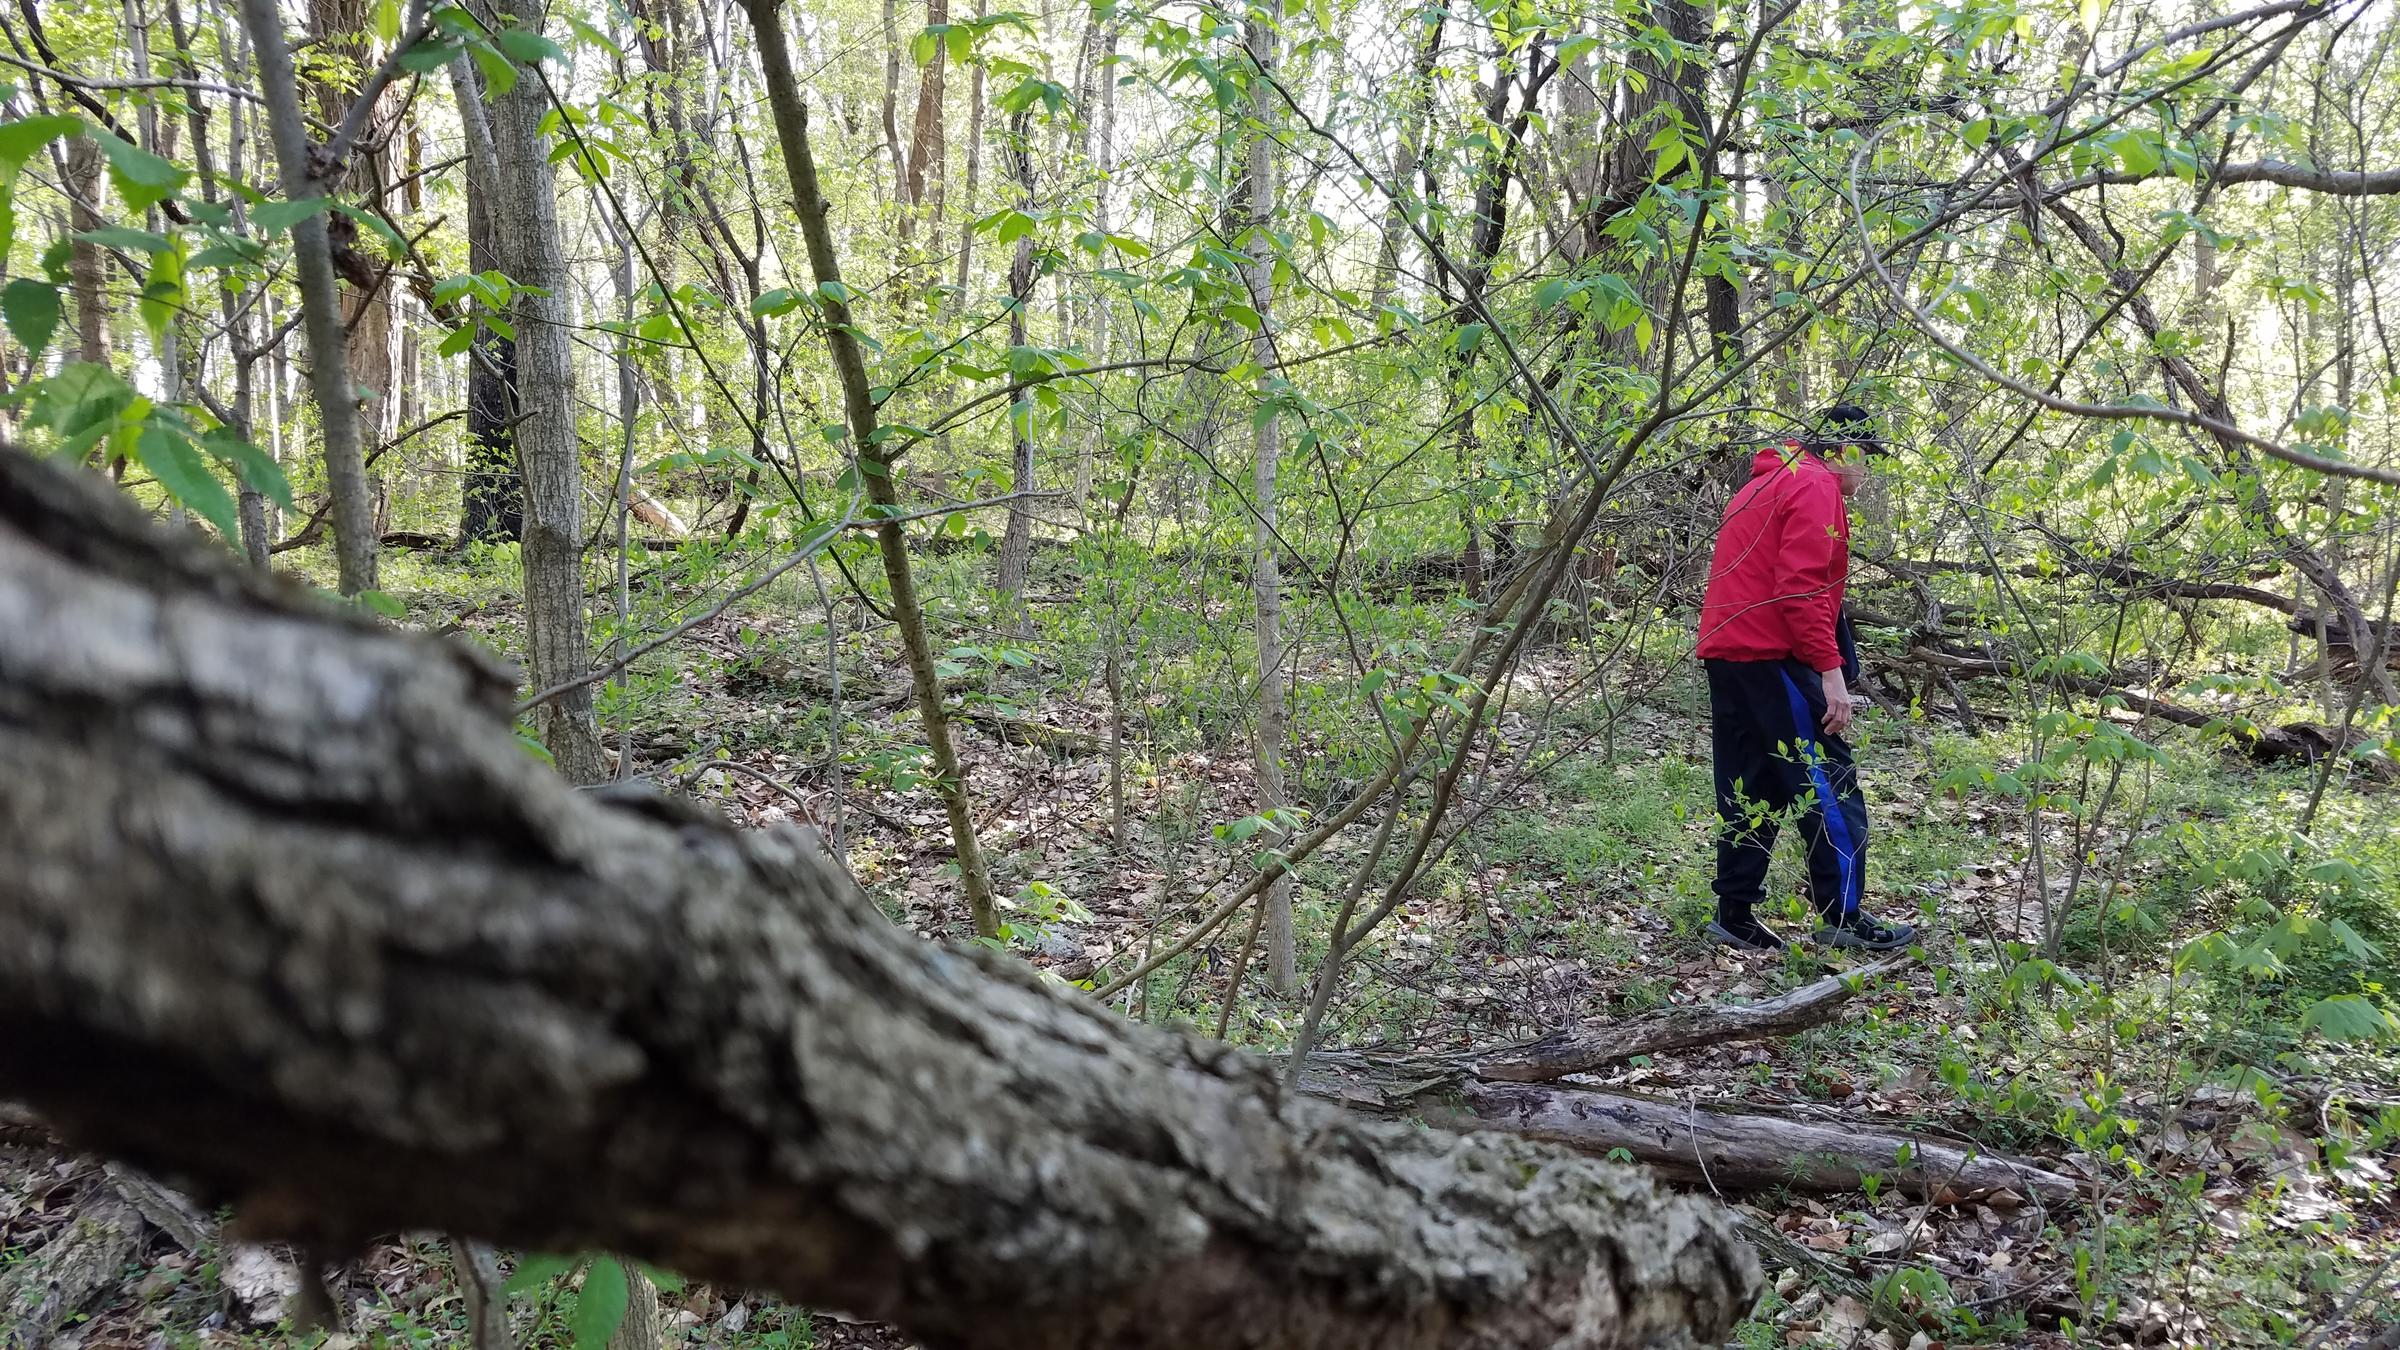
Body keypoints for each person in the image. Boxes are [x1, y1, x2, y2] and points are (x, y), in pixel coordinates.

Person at [1695, 404, 1916, 952]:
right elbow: (1801, 590)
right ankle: (1843, 916)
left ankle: (1735, 914)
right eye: (1866, 458)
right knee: (1830, 784)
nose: (1867, 473)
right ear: (1842, 451)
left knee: (1754, 783)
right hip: (1774, 657)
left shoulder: (1761, 485)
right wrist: (1832, 675)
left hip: (1729, 654)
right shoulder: (1815, 486)